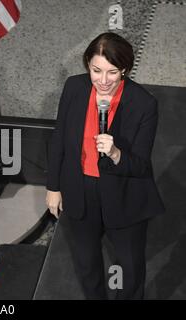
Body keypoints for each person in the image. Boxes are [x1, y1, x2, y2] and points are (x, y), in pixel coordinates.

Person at [45, 32, 165, 299]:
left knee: (130, 267)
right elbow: (59, 139)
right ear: (87, 64)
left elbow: (140, 165)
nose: (103, 80)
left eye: (112, 72)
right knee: (86, 262)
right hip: (80, 190)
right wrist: (53, 187)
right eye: (96, 70)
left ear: (124, 69)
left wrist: (115, 153)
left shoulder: (144, 104)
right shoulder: (74, 87)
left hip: (124, 194)